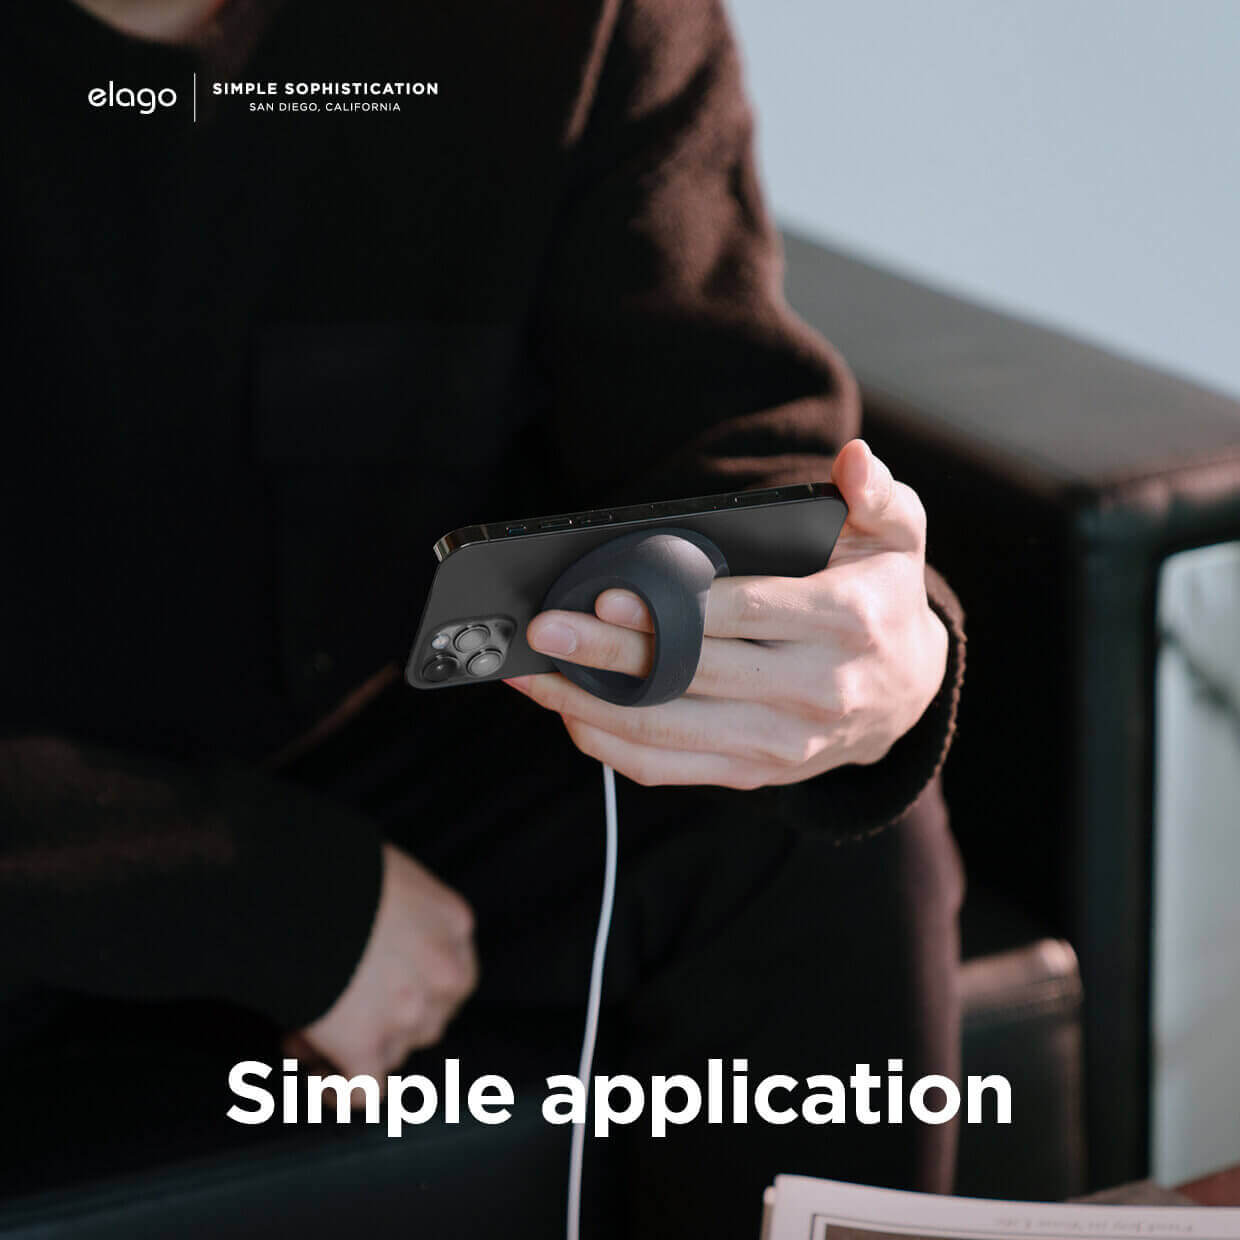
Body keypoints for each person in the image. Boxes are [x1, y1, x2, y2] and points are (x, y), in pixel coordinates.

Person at [2, 0, 965, 1234]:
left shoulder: (576, 25)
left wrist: (865, 641)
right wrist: (254, 895)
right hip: (39, 820)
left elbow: (723, 442)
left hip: (383, 744)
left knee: (812, 831)